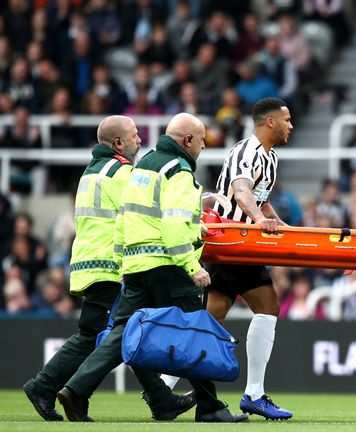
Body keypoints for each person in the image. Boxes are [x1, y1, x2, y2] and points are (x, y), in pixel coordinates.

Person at [56, 113, 247, 423]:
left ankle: (76, 389)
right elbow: (172, 224)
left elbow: (125, 218)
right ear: (187, 141)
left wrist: (122, 260)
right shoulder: (179, 172)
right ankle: (210, 408)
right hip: (168, 265)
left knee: (121, 334)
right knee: (195, 332)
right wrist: (191, 265)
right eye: (201, 141)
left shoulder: (141, 167)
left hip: (135, 264)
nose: (202, 146)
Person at [23, 116, 194, 422]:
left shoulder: (92, 172)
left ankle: (160, 400)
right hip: (111, 265)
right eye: (134, 136)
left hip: (89, 263)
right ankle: (43, 386)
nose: (140, 140)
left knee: (126, 331)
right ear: (118, 143)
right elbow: (150, 207)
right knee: (100, 335)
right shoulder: (123, 172)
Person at [162, 98, 294, 420]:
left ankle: (165, 387)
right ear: (270, 123)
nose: (291, 126)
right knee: (246, 310)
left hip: (245, 246)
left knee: (223, 313)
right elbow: (242, 191)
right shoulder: (245, 152)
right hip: (230, 242)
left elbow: (260, 202)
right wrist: (260, 221)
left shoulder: (271, 158)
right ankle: (250, 394)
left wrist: (285, 228)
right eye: (287, 120)